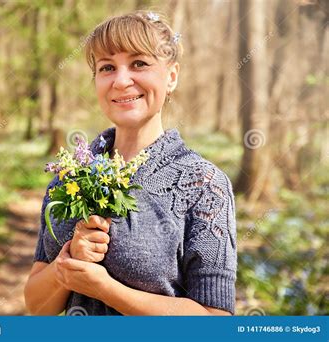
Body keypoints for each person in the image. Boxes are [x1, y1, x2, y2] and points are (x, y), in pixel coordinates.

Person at [24, 10, 237, 316]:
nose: (122, 81)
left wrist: (106, 289)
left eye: (139, 63)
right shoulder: (69, 177)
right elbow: (36, 306)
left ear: (172, 76)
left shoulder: (203, 184)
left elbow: (215, 322)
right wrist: (67, 263)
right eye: (107, 67)